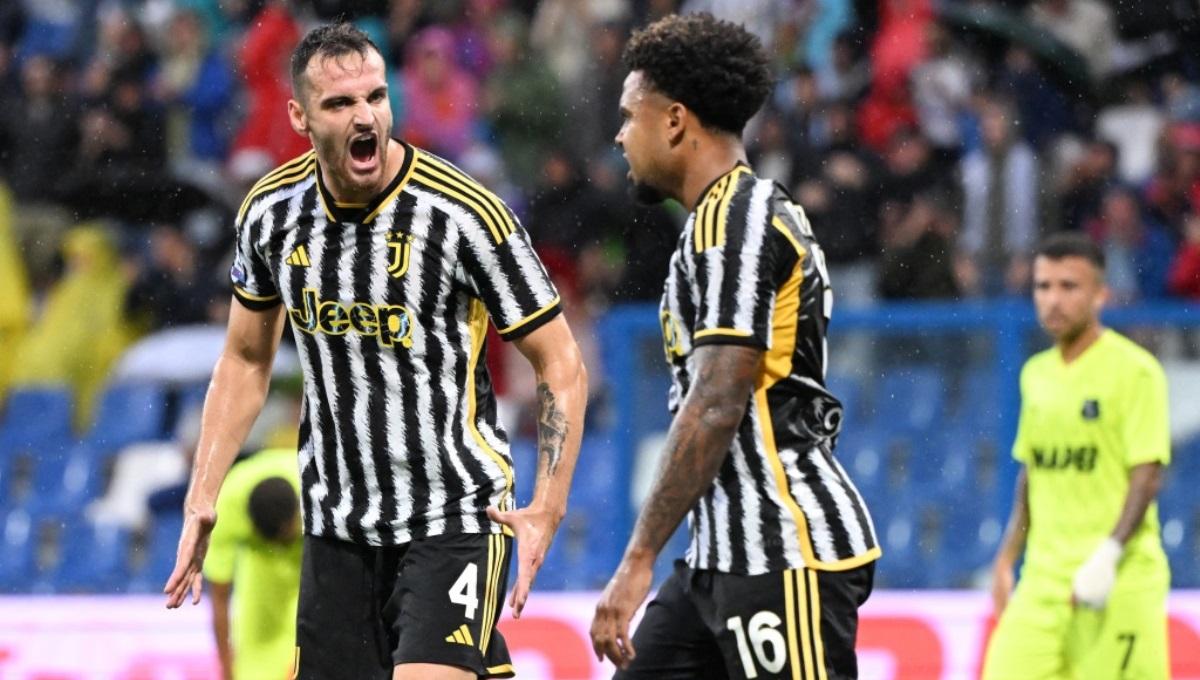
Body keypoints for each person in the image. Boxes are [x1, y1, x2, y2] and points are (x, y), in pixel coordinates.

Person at [163, 23, 589, 680]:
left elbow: (559, 360)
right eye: (339, 103)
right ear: (300, 117)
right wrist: (203, 496)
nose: (365, 117)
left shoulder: (463, 214)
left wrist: (548, 506)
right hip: (336, 528)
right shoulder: (271, 214)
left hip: (455, 516)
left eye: (376, 96)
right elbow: (246, 360)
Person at [590, 13, 880, 679]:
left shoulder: (735, 220)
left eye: (629, 116)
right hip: (720, 556)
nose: (619, 135)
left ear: (674, 121)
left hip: (781, 549)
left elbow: (719, 400)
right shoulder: (724, 221)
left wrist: (637, 558)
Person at [983, 233, 1171, 680]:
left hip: (1118, 581)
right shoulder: (1036, 374)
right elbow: (1032, 471)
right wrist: (1007, 557)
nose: (1053, 300)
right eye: (1043, 286)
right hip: (1043, 583)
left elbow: (1147, 475)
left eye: (1069, 286)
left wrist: (1108, 556)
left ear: (1100, 294)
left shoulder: (1136, 371)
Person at [204, 448, 303, 680]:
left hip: (312, 559)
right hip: (260, 572)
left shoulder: (319, 486)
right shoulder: (225, 507)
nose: (282, 548)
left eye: (286, 539)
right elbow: (219, 599)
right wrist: (227, 671)